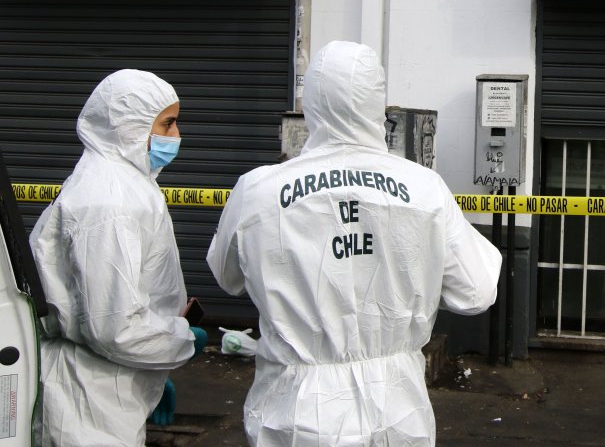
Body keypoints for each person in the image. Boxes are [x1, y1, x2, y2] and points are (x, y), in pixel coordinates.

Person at [208, 41, 502, 447]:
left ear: (310, 103)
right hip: (397, 411)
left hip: (297, 411)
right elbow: (476, 291)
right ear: (377, 104)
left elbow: (227, 277)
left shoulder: (258, 190)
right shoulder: (424, 189)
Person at [30, 69, 207, 446]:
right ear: (130, 125)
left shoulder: (123, 183)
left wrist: (157, 368)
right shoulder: (110, 201)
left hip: (106, 386)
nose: (176, 136)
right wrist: (181, 339)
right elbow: (113, 327)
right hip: (88, 400)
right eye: (168, 123)